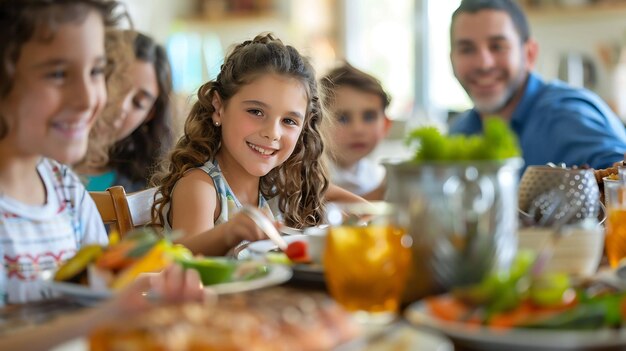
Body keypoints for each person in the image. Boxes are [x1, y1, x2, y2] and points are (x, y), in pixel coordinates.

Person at [152, 33, 336, 256]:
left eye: (289, 121)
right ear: (218, 107)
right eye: (256, 112)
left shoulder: (275, 184)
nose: (272, 133)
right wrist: (228, 233)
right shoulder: (200, 186)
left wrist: (368, 211)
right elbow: (184, 257)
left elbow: (329, 192)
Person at [448, 0, 626, 170]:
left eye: (497, 46)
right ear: (451, 59)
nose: (483, 64)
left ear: (529, 54)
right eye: (467, 49)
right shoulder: (459, 132)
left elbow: (619, 180)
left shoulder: (567, 116)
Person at [76, 30, 174, 193]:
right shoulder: (39, 161)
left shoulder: (151, 188)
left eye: (138, 102)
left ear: (149, 115)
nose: (121, 107)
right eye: (116, 87)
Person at [320, 62, 392, 200]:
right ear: (317, 124)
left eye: (369, 117)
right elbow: (325, 210)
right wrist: (381, 191)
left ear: (386, 124)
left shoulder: (375, 175)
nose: (358, 130)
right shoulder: (307, 174)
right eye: (343, 118)